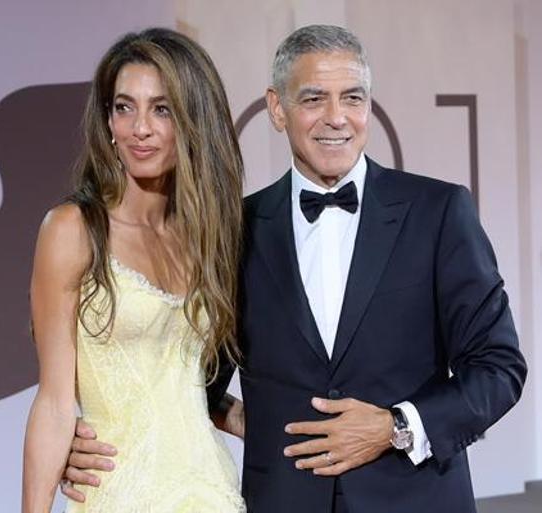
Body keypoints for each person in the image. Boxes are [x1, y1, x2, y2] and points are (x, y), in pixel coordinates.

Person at [61, 24, 527, 513]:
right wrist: (102, 438)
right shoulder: (236, 229)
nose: (336, 118)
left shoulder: (438, 212)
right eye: (313, 99)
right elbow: (191, 382)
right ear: (277, 108)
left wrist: (396, 427)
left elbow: (499, 367)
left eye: (352, 97)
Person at [21, 28, 248, 513]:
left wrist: (256, 422)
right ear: (108, 121)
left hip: (211, 490)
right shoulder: (73, 229)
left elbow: (193, 389)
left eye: (161, 109)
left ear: (192, 121)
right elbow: (54, 403)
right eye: (124, 107)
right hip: (119, 493)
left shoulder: (210, 237)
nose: (139, 128)